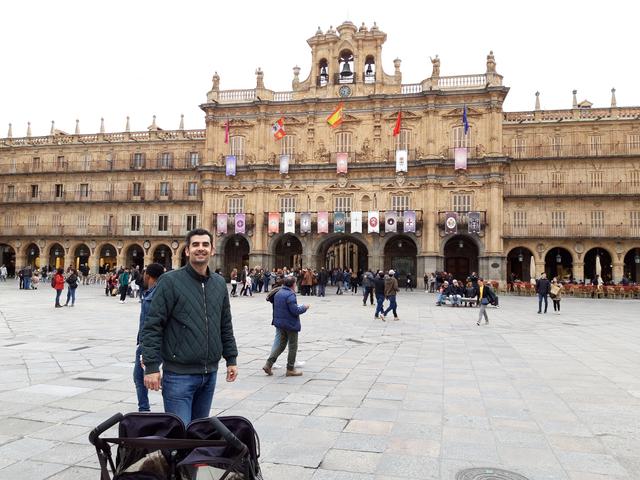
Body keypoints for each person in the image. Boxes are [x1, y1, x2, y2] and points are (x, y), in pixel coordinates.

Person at [142, 229, 238, 425]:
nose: (200, 249)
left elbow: (225, 324)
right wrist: (151, 366)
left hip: (209, 374)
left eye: (205, 245)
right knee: (181, 436)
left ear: (212, 250)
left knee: (199, 434)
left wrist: (231, 358)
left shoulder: (219, 283)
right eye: (195, 245)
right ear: (187, 251)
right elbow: (152, 326)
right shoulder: (169, 281)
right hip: (179, 376)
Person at [262, 276, 309, 377]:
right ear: (293, 284)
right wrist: (304, 307)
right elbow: (295, 310)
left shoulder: (278, 292)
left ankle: (268, 364)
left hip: (280, 323)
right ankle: (290, 369)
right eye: (295, 283)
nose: (296, 285)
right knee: (293, 346)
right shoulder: (290, 295)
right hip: (290, 324)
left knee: (281, 345)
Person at [134, 263, 164, 412]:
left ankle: (143, 410)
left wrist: (144, 349)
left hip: (149, 345)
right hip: (160, 344)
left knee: (139, 378)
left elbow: (149, 325)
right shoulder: (159, 292)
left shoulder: (152, 296)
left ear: (148, 276)